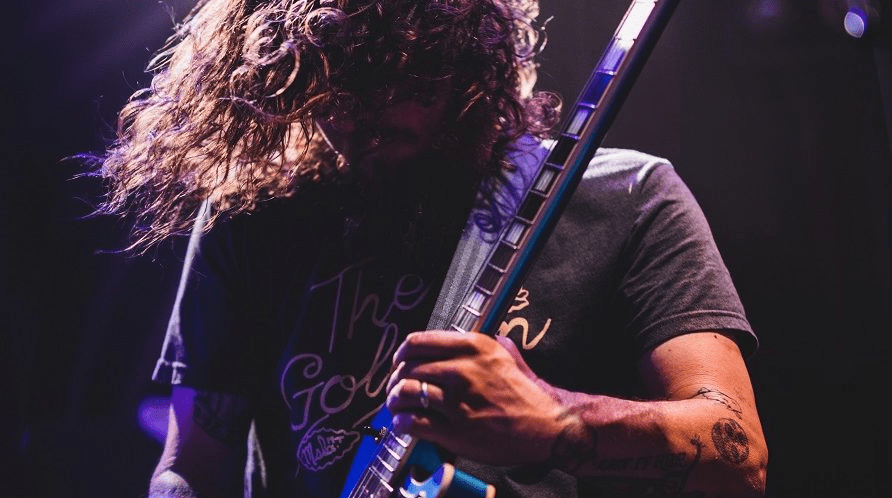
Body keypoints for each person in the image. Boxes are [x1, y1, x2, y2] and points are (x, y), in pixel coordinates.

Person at [97, 0, 768, 496]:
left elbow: (738, 454)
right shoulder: (249, 216)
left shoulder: (628, 196)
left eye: (392, 75)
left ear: (466, 53)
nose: (356, 116)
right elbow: (193, 463)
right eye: (332, 78)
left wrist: (557, 423)